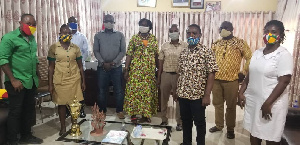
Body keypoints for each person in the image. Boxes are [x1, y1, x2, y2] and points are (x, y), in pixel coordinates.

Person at [238, 20, 293, 145]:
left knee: (270, 136)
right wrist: (241, 92)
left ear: (281, 35)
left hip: (272, 104)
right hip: (253, 101)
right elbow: (250, 75)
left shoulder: (283, 55)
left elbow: (284, 82)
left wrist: (268, 103)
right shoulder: (257, 53)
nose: (269, 34)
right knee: (253, 133)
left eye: (273, 32)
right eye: (266, 31)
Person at [0, 14, 43, 145]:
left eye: (33, 24)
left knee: (28, 110)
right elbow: (3, 60)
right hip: (16, 81)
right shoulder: (9, 38)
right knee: (15, 112)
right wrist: (12, 80)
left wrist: (38, 74)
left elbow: (33, 58)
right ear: (20, 23)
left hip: (31, 81)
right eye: (28, 24)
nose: (31, 27)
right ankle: (12, 140)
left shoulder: (32, 38)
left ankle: (26, 135)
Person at [209, 21, 252, 139]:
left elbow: (249, 58)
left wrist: (244, 72)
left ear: (232, 29)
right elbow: (210, 60)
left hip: (232, 80)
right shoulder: (216, 44)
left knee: (231, 106)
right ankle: (218, 125)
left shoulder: (240, 43)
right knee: (217, 104)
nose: (223, 29)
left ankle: (230, 128)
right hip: (216, 80)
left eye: (226, 27)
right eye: (221, 27)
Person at [177, 24, 218, 145]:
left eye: (194, 33)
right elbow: (180, 73)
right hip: (183, 93)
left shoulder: (206, 51)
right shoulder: (184, 52)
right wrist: (176, 91)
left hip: (198, 95)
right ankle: (186, 142)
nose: (191, 35)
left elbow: (211, 73)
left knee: (199, 123)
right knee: (186, 121)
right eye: (189, 33)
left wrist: (207, 95)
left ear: (200, 35)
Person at [48, 24, 86, 136]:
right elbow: (50, 67)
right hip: (60, 80)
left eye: (69, 33)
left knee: (75, 104)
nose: (67, 35)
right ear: (60, 34)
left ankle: (75, 124)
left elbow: (80, 66)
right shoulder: (54, 48)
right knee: (62, 104)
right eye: (64, 33)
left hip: (74, 79)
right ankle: (63, 126)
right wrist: (50, 84)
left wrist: (84, 81)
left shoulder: (76, 48)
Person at [124, 18, 158, 123]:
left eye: (145, 25)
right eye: (141, 24)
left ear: (149, 27)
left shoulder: (153, 39)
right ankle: (133, 114)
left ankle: (145, 115)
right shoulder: (134, 38)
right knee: (134, 93)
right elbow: (129, 54)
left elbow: (156, 55)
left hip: (149, 72)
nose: (143, 26)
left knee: (147, 94)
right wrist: (126, 69)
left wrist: (158, 70)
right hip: (135, 72)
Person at [93, 14, 126, 119]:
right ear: (103, 22)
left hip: (116, 67)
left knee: (118, 90)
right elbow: (96, 51)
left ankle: (119, 110)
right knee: (102, 90)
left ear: (114, 23)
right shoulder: (98, 35)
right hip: (102, 67)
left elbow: (123, 51)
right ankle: (102, 111)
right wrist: (103, 62)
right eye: (107, 21)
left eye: (111, 21)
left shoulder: (120, 35)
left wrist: (113, 62)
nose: (109, 23)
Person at [157, 24, 188, 131]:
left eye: (175, 30)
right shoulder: (164, 46)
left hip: (179, 76)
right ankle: (164, 120)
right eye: (171, 31)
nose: (173, 32)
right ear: (169, 33)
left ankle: (179, 122)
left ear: (179, 33)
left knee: (179, 100)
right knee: (163, 99)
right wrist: (159, 77)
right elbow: (160, 62)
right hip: (166, 74)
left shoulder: (185, 45)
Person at [67, 16, 89, 118]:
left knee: (80, 90)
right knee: (68, 89)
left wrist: (78, 61)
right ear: (67, 24)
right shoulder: (63, 36)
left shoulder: (82, 37)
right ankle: (68, 110)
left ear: (77, 24)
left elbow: (86, 52)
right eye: (70, 23)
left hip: (79, 67)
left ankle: (81, 110)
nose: (72, 24)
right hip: (66, 68)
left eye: (74, 22)